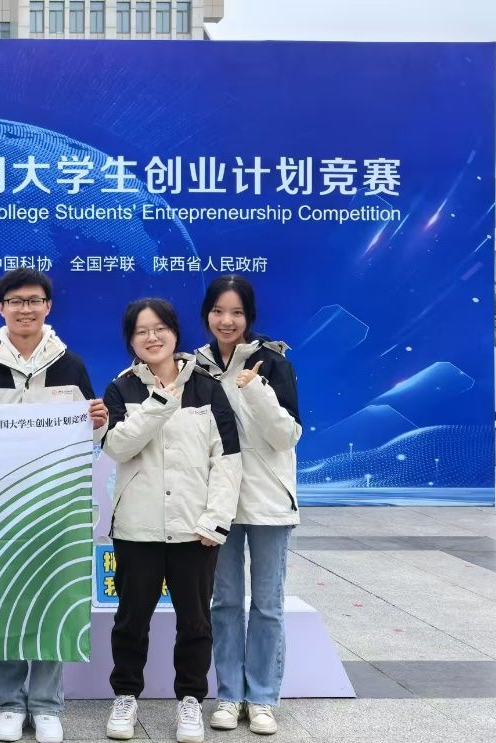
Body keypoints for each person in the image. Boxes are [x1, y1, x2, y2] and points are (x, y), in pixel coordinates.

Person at [0, 268, 108, 743]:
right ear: (1, 308)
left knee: (52, 600)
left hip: (55, 505)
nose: (26, 309)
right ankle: (9, 703)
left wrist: (98, 422)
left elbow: (90, 438)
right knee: (1, 603)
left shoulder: (70, 365)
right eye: (16, 301)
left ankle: (45, 705)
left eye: (34, 300)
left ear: (48, 306)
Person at [100, 297, 241, 743]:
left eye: (160, 328)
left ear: (175, 332)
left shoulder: (207, 388)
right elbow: (117, 447)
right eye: (141, 331)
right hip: (137, 527)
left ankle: (191, 701)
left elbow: (227, 459)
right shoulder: (121, 389)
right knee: (130, 620)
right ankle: (126, 696)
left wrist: (216, 519)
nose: (152, 337)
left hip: (193, 528)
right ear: (130, 340)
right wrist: (161, 400)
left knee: (195, 622)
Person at [195, 276, 301, 737]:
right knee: (224, 603)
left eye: (236, 312)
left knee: (267, 604)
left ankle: (262, 699)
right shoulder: (195, 367)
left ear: (249, 316)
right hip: (218, 501)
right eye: (218, 311)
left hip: (267, 500)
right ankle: (229, 694)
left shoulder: (272, 362)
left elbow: (287, 436)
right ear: (207, 314)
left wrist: (255, 389)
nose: (227, 321)